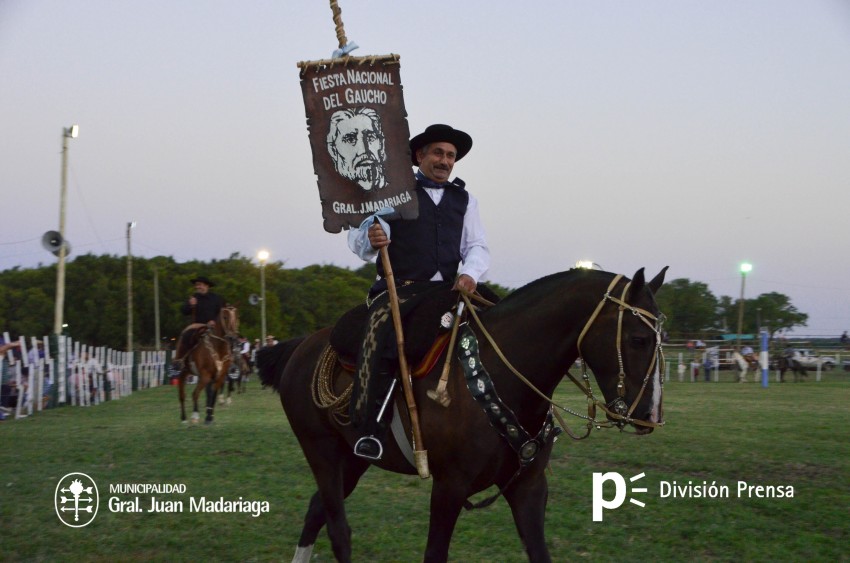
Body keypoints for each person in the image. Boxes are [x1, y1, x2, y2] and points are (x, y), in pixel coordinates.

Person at [348, 123, 490, 460]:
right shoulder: (392, 192)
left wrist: (470, 274)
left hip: (449, 289)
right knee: (380, 333)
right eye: (438, 153)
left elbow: (478, 246)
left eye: (451, 156)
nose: (445, 161)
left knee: (500, 321)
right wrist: (372, 237)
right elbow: (359, 235)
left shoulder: (465, 199)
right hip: (401, 290)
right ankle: (371, 427)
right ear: (420, 156)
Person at [169, 276, 225, 377]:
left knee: (228, 339)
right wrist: (190, 305)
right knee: (185, 336)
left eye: (200, 285)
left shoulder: (216, 299)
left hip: (213, 327)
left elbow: (222, 314)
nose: (198, 287)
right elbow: (184, 311)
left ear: (207, 286)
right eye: (196, 285)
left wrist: (214, 321)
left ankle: (231, 363)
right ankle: (178, 362)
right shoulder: (194, 297)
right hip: (197, 326)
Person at [327, 107, 388, 192]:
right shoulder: (334, 195)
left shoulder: (399, 190)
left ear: (381, 145)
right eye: (351, 139)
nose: (363, 150)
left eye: (370, 137)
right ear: (333, 150)